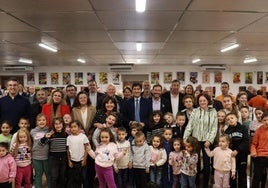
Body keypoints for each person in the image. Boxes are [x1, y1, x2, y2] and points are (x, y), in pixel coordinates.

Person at [183, 93, 218, 188]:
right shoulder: (195, 111)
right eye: (200, 101)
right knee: (195, 163)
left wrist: (210, 140)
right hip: (196, 141)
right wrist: (185, 138)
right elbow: (190, 126)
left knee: (207, 165)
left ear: (208, 101)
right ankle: (196, 183)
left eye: (204, 100)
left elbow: (214, 128)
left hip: (207, 141)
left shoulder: (213, 112)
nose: (202, 102)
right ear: (198, 102)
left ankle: (206, 184)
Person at [40, 117, 68, 188]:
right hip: (53, 159)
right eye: (56, 124)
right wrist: (46, 137)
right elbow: (42, 143)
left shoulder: (66, 135)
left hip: (64, 158)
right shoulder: (51, 135)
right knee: (54, 176)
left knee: (62, 176)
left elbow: (68, 147)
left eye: (60, 123)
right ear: (53, 125)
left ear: (63, 124)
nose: (58, 125)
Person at [224, 113, 249, 188]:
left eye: (232, 118)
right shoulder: (227, 131)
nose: (230, 120)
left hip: (241, 155)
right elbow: (226, 144)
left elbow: (246, 141)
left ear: (236, 119)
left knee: (242, 175)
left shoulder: (243, 128)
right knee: (232, 175)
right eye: (228, 119)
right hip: (231, 156)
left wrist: (237, 150)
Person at [31, 113, 51, 188]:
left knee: (48, 174)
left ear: (46, 121)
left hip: (47, 157)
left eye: (43, 120)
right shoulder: (33, 131)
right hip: (36, 157)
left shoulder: (49, 130)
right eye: (39, 120)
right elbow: (37, 143)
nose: (41, 122)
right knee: (38, 174)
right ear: (36, 122)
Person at [66, 120, 89, 188]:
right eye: (71, 127)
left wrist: (84, 160)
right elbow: (68, 150)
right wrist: (69, 161)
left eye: (75, 126)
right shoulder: (69, 138)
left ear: (79, 127)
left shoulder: (83, 136)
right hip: (73, 162)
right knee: (73, 179)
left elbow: (86, 149)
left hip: (81, 161)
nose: (73, 128)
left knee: (82, 178)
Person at [250, 111, 268, 188]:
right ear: (262, 120)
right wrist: (253, 152)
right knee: (257, 176)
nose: (267, 122)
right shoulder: (258, 130)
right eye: (264, 120)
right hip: (260, 155)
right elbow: (253, 144)